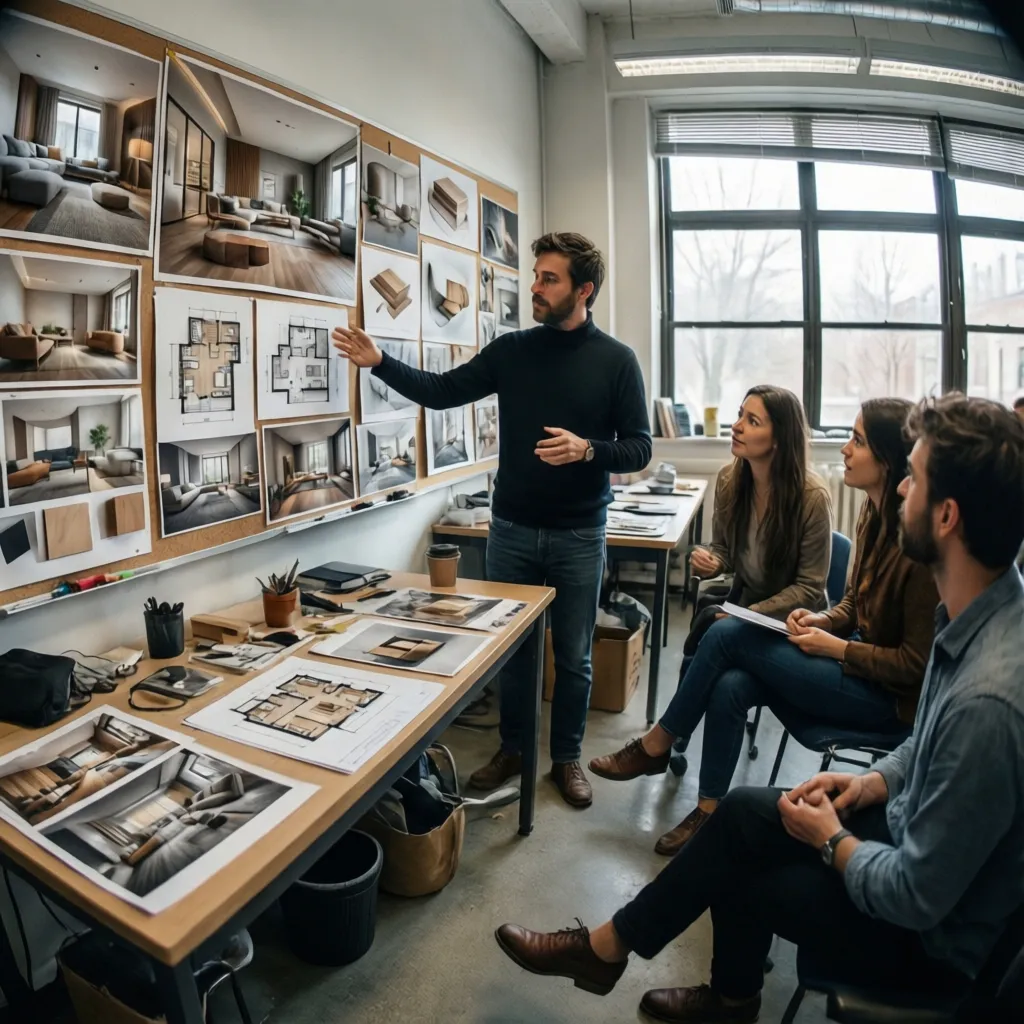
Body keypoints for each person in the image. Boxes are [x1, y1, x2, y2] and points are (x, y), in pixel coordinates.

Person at [494, 392, 1024, 1023]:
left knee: (738, 861)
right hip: (902, 829)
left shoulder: (990, 701)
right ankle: (631, 958)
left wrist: (830, 839)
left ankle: (683, 980)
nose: (902, 489)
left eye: (916, 478)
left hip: (928, 944)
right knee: (744, 808)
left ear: (947, 517)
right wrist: (870, 782)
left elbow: (917, 897)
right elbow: (924, 743)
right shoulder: (969, 616)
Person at [333, 232, 652, 808]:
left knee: (573, 656)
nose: (534, 286)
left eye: (548, 278)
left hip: (580, 533)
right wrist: (380, 361)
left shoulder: (617, 362)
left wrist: (588, 450)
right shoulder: (513, 351)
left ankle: (566, 758)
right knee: (511, 651)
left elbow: (638, 448)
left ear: (584, 290)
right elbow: (442, 390)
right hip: (510, 529)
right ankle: (514, 748)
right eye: (536, 275)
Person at [590, 397, 938, 857]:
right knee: (731, 683)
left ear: (890, 460)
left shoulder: (917, 545)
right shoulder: (873, 513)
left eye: (857, 440)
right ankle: (709, 813)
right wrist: (823, 619)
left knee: (723, 632)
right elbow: (854, 601)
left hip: (886, 702)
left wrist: (837, 648)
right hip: (852, 661)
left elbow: (916, 668)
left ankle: (659, 742)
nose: (846, 450)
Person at [671, 385, 832, 687]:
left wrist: (746, 615)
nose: (737, 426)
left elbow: (810, 588)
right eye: (740, 415)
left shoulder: (812, 497)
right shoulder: (728, 479)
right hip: (746, 604)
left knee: (715, 645)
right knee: (709, 652)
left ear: (779, 440)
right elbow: (723, 550)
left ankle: (666, 734)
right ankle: (673, 735)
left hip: (791, 618)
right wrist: (713, 562)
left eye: (753, 421)